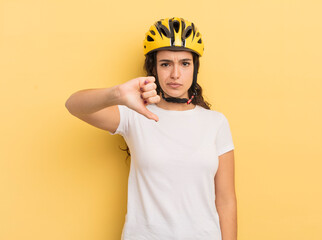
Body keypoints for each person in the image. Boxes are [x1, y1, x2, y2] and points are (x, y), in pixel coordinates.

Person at [65, 17, 237, 240]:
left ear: (194, 68)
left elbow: (226, 200)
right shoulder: (134, 115)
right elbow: (74, 105)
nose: (175, 74)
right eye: (166, 64)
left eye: (184, 63)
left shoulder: (216, 122)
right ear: (153, 68)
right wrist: (117, 94)